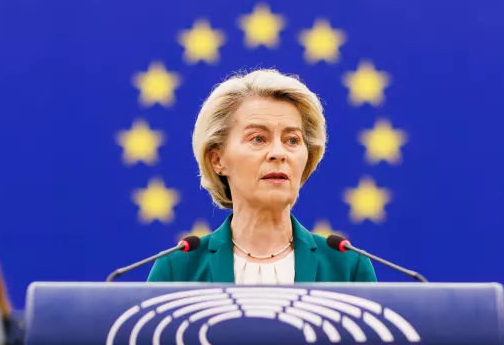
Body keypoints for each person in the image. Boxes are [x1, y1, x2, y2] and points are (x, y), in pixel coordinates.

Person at [147, 69, 377, 284]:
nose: (278, 153)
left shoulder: (347, 266)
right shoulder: (178, 268)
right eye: (258, 138)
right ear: (218, 160)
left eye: (292, 140)